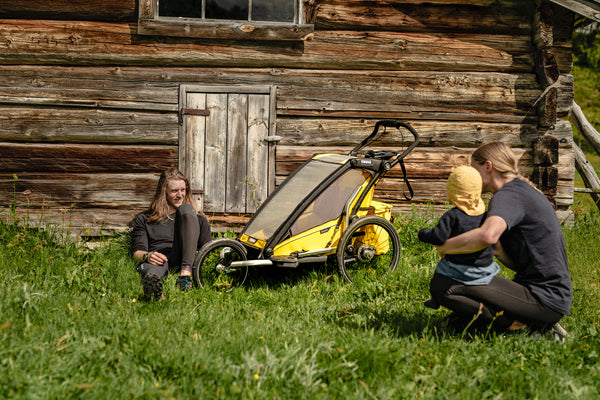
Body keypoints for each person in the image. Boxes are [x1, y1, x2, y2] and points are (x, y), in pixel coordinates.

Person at [433, 142, 572, 341]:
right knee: (459, 320)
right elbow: (511, 257)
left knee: (445, 285)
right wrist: (498, 250)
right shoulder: (518, 191)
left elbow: (487, 235)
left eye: (474, 170)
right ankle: (531, 321)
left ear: (488, 166)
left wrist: (446, 247)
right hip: (545, 296)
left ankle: (521, 326)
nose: (472, 177)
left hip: (545, 298)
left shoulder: (508, 195)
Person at [419, 165, 500, 310]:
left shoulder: (452, 216)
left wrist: (424, 234)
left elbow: (439, 237)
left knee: (440, 271)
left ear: (453, 193)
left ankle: (435, 299)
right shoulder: (486, 215)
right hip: (485, 268)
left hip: (459, 269)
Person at [131, 168, 212, 300]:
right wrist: (147, 256)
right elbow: (137, 252)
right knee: (152, 271)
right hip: (160, 259)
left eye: (183, 190)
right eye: (174, 191)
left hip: (185, 259)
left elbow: (207, 251)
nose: (180, 195)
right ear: (164, 193)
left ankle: (185, 277)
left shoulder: (199, 219)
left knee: (186, 209)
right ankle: (154, 289)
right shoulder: (145, 219)